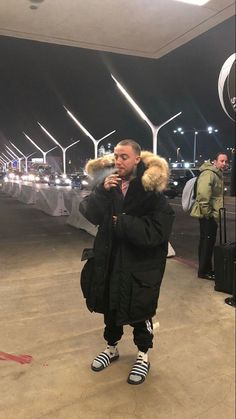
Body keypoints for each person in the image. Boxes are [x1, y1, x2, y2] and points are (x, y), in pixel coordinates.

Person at [79, 139, 175, 385]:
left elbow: (158, 230)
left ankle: (143, 355)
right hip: (109, 259)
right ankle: (111, 347)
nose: (118, 161)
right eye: (115, 156)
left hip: (139, 265)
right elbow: (89, 213)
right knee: (110, 305)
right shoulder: (109, 186)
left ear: (137, 159)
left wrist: (120, 223)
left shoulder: (151, 191)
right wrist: (101, 191)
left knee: (139, 310)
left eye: (123, 157)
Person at [190, 152, 228, 280]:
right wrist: (208, 214)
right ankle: (204, 271)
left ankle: (206, 269)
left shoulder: (216, 174)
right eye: (221, 161)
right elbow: (203, 195)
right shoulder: (209, 173)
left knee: (208, 242)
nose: (224, 164)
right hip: (208, 215)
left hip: (211, 214)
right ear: (214, 161)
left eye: (225, 161)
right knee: (207, 242)